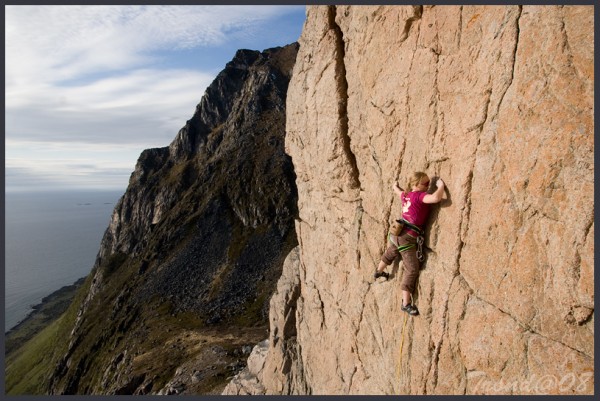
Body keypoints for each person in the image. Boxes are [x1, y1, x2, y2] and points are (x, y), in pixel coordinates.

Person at [374, 172, 445, 316]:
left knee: (392, 250)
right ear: (416, 185)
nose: (427, 186)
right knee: (412, 269)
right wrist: (441, 186)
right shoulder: (419, 196)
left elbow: (398, 191)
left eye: (428, 183)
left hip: (396, 232)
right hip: (407, 238)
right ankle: (405, 303)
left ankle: (379, 271)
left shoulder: (406, 195)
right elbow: (436, 197)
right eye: (425, 184)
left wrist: (395, 186)